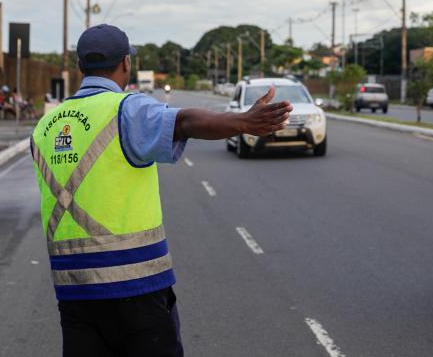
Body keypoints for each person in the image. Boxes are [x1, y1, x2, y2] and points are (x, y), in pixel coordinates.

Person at [29, 24, 291, 357]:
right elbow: (183, 122)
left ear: (80, 66)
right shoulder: (126, 109)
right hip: (136, 289)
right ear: (126, 63)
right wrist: (241, 122)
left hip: (74, 294)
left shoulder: (44, 127)